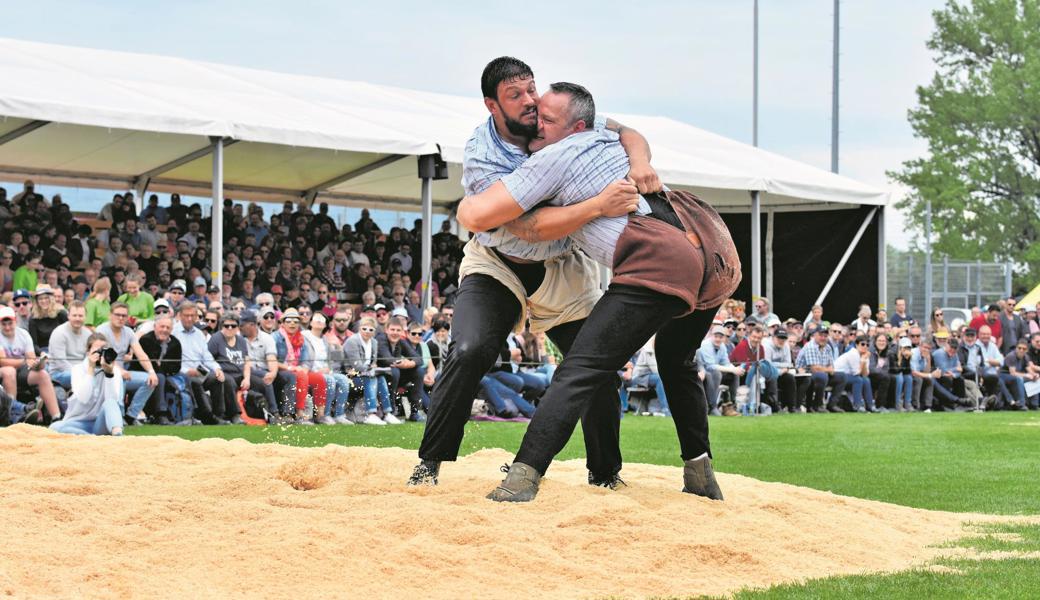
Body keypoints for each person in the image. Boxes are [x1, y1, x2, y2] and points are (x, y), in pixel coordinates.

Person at [460, 81, 739, 502]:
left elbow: (483, 213)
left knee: (580, 369)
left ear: (575, 128)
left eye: (547, 120)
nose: (536, 126)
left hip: (661, 257)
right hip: (714, 246)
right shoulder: (607, 136)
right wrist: (640, 159)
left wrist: (467, 208)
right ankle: (700, 473)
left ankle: (522, 478)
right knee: (676, 361)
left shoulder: (553, 157)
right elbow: (630, 130)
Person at [411, 57, 658, 489]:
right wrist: (598, 206)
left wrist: (639, 163)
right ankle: (429, 462)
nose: (529, 102)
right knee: (469, 349)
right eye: (515, 96)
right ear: (492, 106)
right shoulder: (482, 155)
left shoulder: (560, 116)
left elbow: (628, 133)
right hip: (499, 263)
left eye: (531, 89)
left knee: (596, 366)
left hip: (562, 265)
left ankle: (605, 474)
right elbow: (526, 225)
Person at [172, 302, 237, 425]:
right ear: (180, 315)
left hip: (200, 371)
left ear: (197, 316)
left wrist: (217, 368)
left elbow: (206, 356)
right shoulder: (173, 332)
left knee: (220, 378)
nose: (189, 318)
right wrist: (186, 371)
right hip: (180, 372)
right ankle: (208, 416)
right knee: (194, 381)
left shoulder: (198, 334)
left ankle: (219, 415)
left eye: (192, 315)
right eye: (186, 315)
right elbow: (171, 359)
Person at [95, 302, 158, 424]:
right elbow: (105, 357)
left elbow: (140, 354)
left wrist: (151, 372)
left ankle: (131, 416)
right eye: (117, 315)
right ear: (110, 315)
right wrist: (120, 371)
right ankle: (118, 416)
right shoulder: (101, 331)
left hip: (122, 373)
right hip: (103, 372)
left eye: (124, 316)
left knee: (150, 381)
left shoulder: (129, 332)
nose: (120, 318)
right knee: (119, 378)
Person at [49, 334, 124, 436]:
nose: (100, 355)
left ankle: (118, 435)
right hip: (78, 422)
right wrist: (90, 369)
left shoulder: (115, 371)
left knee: (110, 402)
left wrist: (109, 374)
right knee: (55, 427)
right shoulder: (78, 369)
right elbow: (84, 398)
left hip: (100, 423)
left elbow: (112, 402)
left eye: (103, 350)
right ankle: (92, 439)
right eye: (98, 351)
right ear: (88, 352)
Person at [0, 305, 61, 423]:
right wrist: (24, 361)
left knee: (42, 374)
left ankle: (56, 417)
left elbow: (31, 359)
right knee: (9, 371)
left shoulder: (23, 334)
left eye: (10, 323)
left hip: (21, 371)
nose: (7, 327)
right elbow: (2, 360)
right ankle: (13, 413)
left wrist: (39, 364)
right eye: (4, 324)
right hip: (4, 372)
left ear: (15, 321)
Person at [272, 308, 327, 425]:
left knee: (319, 379)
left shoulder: (302, 338)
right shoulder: (275, 337)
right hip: (281, 370)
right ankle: (299, 414)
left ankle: (320, 415)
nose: (292, 324)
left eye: (296, 321)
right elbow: (271, 361)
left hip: (298, 370)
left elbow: (306, 361)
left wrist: (304, 368)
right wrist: (290, 368)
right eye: (289, 321)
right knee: (301, 376)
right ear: (282, 323)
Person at [133, 315, 188, 425]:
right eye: (162, 326)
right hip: (145, 373)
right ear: (155, 327)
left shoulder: (175, 343)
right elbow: (147, 364)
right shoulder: (145, 340)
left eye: (168, 328)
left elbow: (177, 366)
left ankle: (189, 414)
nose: (164, 330)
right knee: (160, 377)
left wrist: (161, 366)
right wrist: (162, 367)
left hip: (168, 374)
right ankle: (160, 414)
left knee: (187, 378)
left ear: (171, 329)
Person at [344, 316, 398, 425]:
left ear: (374, 331)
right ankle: (371, 414)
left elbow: (374, 362)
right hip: (351, 377)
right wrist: (372, 369)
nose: (367, 331)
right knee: (371, 377)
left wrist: (374, 368)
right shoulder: (352, 341)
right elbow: (356, 365)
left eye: (371, 329)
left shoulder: (374, 342)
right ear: (360, 328)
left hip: (367, 374)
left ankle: (387, 412)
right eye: (364, 328)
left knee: (381, 378)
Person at [303, 313, 352, 425]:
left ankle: (340, 415)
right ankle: (325, 414)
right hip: (310, 372)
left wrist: (338, 347)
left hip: (326, 371)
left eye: (322, 319)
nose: (319, 321)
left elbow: (337, 360)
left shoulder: (325, 339)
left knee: (343, 379)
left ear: (325, 324)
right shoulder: (305, 336)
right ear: (311, 322)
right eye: (316, 319)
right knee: (329, 380)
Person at [240, 309, 286, 424]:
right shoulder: (238, 338)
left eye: (242, 325)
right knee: (265, 378)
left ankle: (288, 413)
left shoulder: (266, 338)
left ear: (252, 325)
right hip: (243, 370)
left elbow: (271, 359)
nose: (240, 328)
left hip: (261, 370)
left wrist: (273, 373)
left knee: (284, 377)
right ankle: (274, 413)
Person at [795, 326, 847, 413]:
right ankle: (817, 405)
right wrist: (827, 370)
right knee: (821, 376)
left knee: (842, 377)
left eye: (825, 336)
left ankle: (832, 404)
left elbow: (831, 366)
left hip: (821, 374)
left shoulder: (827, 347)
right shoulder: (810, 346)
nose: (823, 338)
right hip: (805, 375)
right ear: (815, 335)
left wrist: (827, 369)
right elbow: (814, 368)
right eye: (820, 335)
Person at [698, 325, 744, 415]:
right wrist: (732, 369)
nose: (718, 339)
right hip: (703, 371)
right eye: (716, 336)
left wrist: (735, 369)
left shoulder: (722, 346)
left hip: (714, 371)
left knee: (734, 375)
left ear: (723, 338)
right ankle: (713, 407)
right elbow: (710, 366)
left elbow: (726, 363)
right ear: (711, 336)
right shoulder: (705, 344)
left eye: (720, 337)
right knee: (716, 374)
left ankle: (732, 405)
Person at [47, 300, 91, 390]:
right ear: (68, 316)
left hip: (82, 372)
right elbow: (61, 363)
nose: (77, 319)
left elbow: (88, 358)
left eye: (80, 316)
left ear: (85, 317)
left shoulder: (88, 334)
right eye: (74, 315)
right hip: (60, 374)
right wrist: (81, 373)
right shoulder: (59, 333)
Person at [833, 335, 876, 412]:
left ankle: (870, 406)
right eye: (862, 344)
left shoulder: (865, 355)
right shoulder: (853, 353)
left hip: (848, 376)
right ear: (857, 345)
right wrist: (863, 361)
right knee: (858, 380)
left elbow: (865, 374)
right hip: (837, 375)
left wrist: (864, 360)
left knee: (866, 380)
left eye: (867, 345)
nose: (865, 346)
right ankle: (857, 406)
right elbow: (857, 373)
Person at [27, 284, 67, 352]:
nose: (43, 301)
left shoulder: (61, 314)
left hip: (62, 348)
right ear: (37, 301)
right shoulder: (33, 319)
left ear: (51, 298)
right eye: (40, 298)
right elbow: (34, 344)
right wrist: (42, 354)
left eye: (46, 298)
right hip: (44, 351)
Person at [889, 337, 914, 411]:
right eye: (905, 347)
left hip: (898, 373)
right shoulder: (892, 353)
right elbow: (896, 370)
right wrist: (902, 359)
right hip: (891, 373)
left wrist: (907, 359)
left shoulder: (906, 354)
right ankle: (897, 403)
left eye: (908, 348)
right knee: (899, 377)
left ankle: (907, 404)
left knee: (908, 378)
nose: (906, 349)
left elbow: (907, 371)